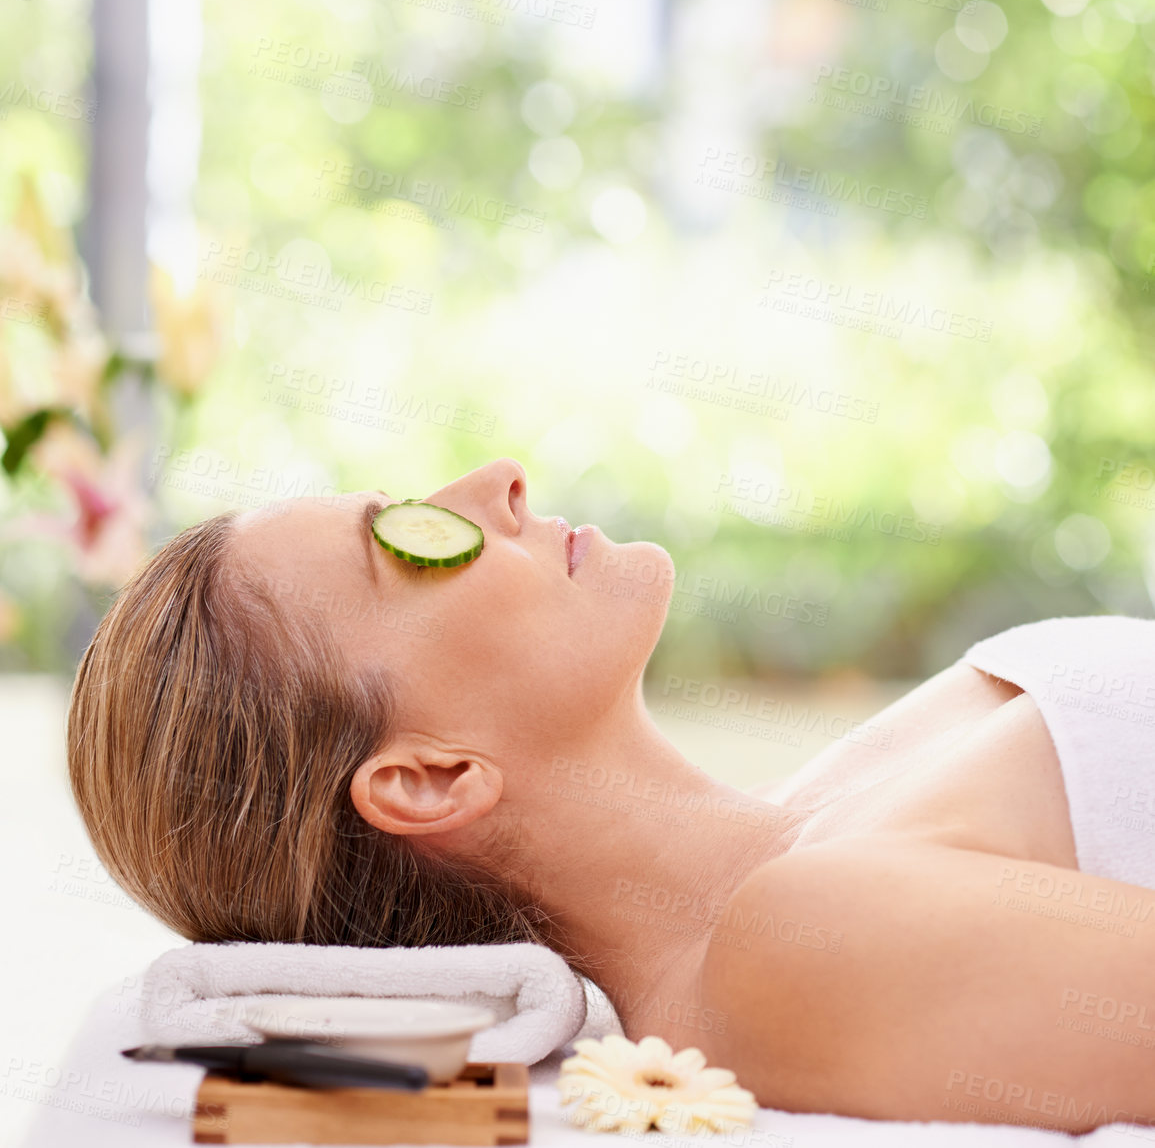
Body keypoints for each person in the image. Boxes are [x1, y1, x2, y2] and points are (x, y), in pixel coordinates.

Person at [68, 458, 1155, 1134]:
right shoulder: (800, 944)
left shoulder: (822, 812)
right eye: (402, 535)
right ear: (431, 777)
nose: (497, 481)